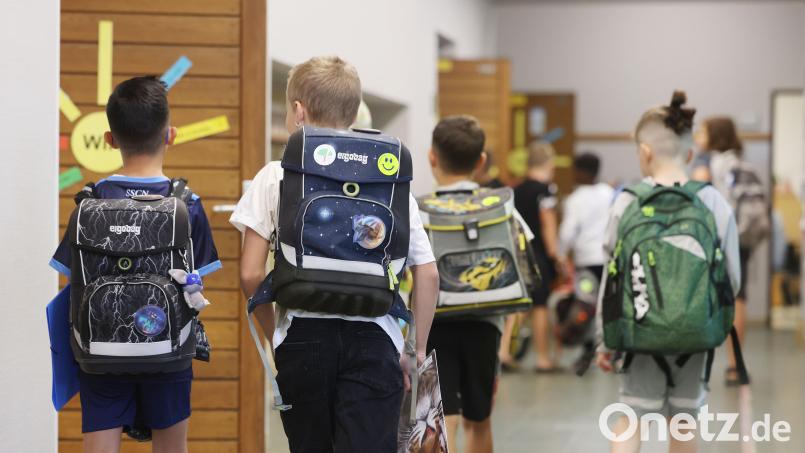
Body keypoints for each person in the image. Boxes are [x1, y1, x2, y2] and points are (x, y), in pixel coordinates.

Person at [230, 56, 439, 453]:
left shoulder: (275, 174)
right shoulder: (389, 181)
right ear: (353, 111)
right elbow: (427, 275)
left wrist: (274, 336)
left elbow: (250, 274)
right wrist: (416, 350)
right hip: (377, 336)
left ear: (298, 111)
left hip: (302, 338)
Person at [50, 76, 222, 453]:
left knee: (100, 443)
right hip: (168, 352)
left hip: (100, 353)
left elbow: (68, 285)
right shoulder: (186, 204)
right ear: (170, 135)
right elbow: (196, 286)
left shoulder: (89, 203)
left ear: (110, 139)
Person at [595, 94, 741, 453]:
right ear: (691, 154)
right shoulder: (712, 201)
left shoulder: (627, 202)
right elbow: (731, 278)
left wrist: (604, 338)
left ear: (644, 152)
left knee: (630, 418)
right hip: (695, 334)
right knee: (684, 423)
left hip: (638, 332)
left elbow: (610, 280)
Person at [424, 115, 534, 453]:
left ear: (432, 157)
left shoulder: (421, 211)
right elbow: (522, 263)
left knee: (442, 422)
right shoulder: (500, 207)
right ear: (482, 161)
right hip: (486, 326)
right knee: (480, 419)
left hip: (436, 325)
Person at [691, 116, 752, 386]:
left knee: (703, 296)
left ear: (712, 135)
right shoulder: (739, 161)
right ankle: (734, 364)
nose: (696, 135)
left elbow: (695, 194)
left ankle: (694, 364)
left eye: (702, 130)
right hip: (740, 236)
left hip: (712, 238)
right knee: (738, 297)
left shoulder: (706, 162)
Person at [504, 142, 562, 372]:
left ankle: (503, 351)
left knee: (520, 304)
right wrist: (555, 254)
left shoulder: (515, 191)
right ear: (548, 164)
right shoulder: (545, 191)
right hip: (537, 254)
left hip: (517, 252)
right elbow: (548, 224)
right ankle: (542, 358)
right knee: (540, 305)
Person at [557, 152, 613, 371]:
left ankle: (589, 349)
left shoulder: (575, 199)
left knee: (586, 307)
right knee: (608, 306)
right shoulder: (609, 194)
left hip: (586, 262)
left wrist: (561, 256)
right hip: (609, 261)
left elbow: (568, 232)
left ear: (579, 172)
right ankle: (611, 350)